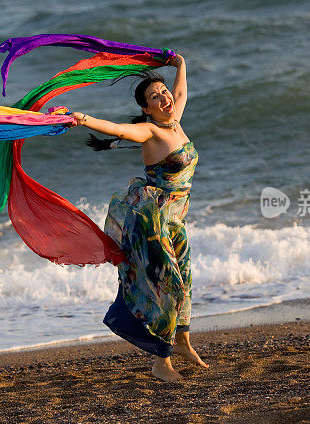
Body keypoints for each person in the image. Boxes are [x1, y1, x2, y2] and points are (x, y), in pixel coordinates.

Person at [70, 54, 209, 382]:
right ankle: (162, 362)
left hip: (177, 221)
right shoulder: (149, 131)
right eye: (155, 97)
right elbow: (117, 128)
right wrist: (84, 119)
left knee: (185, 282)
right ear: (147, 109)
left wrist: (181, 63)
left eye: (164, 93)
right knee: (169, 286)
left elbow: (183, 91)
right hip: (154, 222)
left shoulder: (176, 121)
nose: (165, 98)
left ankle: (184, 344)